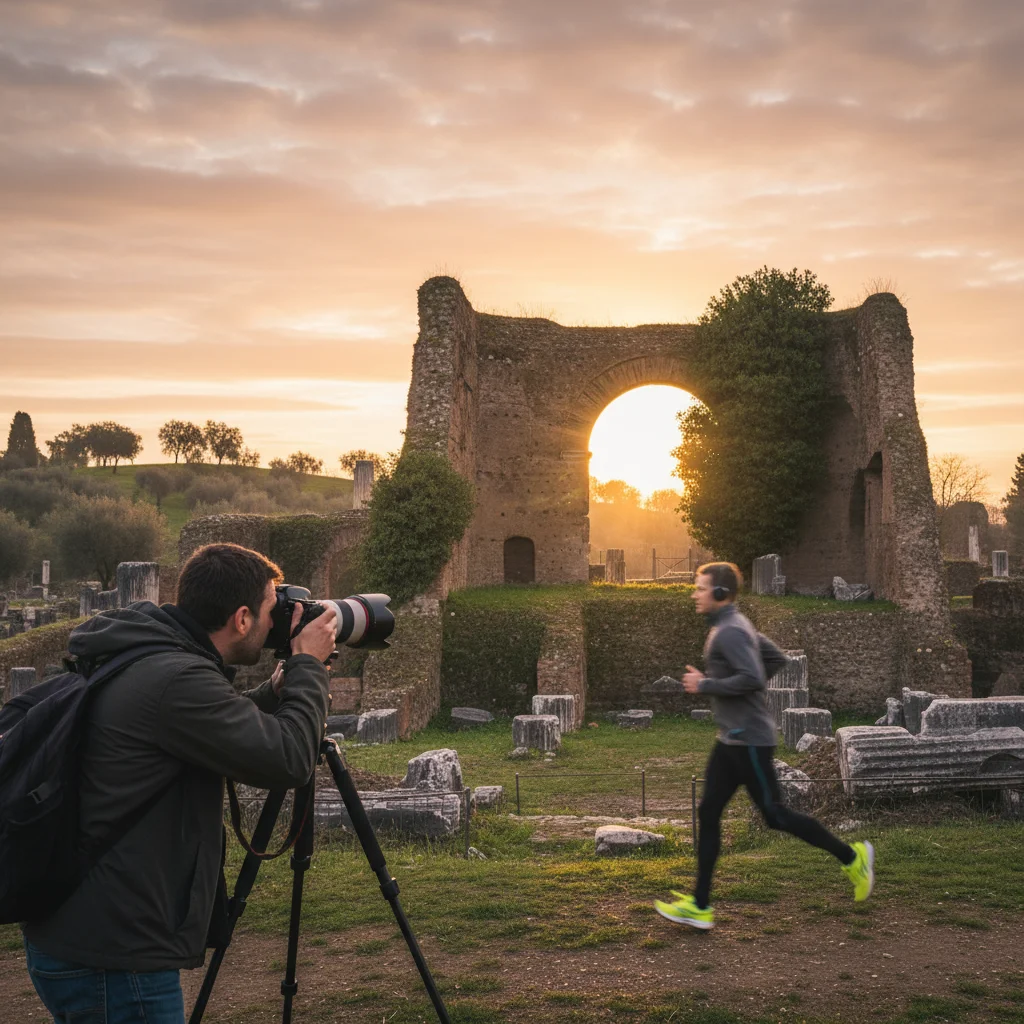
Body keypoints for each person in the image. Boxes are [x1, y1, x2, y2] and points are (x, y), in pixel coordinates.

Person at [22, 542, 336, 1022]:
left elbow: (203, 723)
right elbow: (291, 760)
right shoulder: (177, 679)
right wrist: (309, 664)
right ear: (242, 619)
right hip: (114, 954)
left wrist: (274, 692)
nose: (278, 622)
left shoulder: (153, 652)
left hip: (83, 931)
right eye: (273, 609)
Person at [654, 561, 873, 930]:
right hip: (730, 740)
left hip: (749, 742)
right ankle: (701, 905)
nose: (695, 593)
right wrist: (737, 698)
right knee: (708, 813)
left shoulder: (730, 632)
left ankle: (853, 857)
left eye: (701, 587)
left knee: (775, 815)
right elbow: (774, 659)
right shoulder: (736, 626)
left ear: (721, 593)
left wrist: (706, 685)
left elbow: (754, 677)